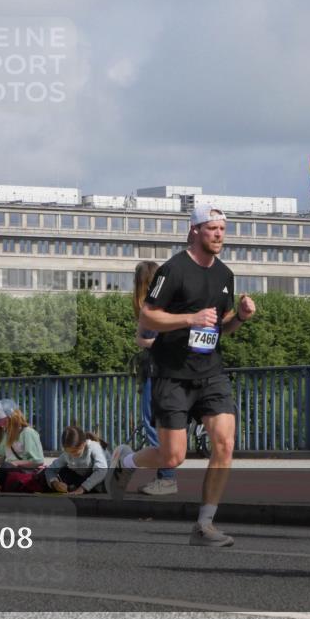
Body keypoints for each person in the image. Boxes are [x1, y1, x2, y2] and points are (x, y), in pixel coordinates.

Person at [107, 205, 254, 548]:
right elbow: (148, 318)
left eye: (221, 229)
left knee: (225, 443)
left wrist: (242, 318)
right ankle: (125, 461)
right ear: (194, 230)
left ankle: (204, 525)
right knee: (173, 457)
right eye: (211, 228)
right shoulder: (173, 270)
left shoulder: (225, 275)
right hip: (172, 374)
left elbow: (222, 327)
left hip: (211, 373)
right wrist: (189, 319)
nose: (218, 234)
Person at [133, 260, 178, 496]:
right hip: (170, 370)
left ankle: (167, 477)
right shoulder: (170, 302)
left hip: (158, 371)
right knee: (163, 423)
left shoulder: (151, 306)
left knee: (153, 422)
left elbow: (152, 340)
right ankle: (165, 476)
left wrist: (145, 341)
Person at [44, 426, 109, 495]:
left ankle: (79, 488)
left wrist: (82, 488)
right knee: (63, 471)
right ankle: (73, 487)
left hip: (103, 481)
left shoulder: (94, 447)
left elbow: (102, 470)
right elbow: (50, 470)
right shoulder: (67, 454)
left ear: (83, 444)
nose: (71, 455)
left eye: (75, 451)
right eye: (68, 452)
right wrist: (55, 483)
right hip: (82, 478)